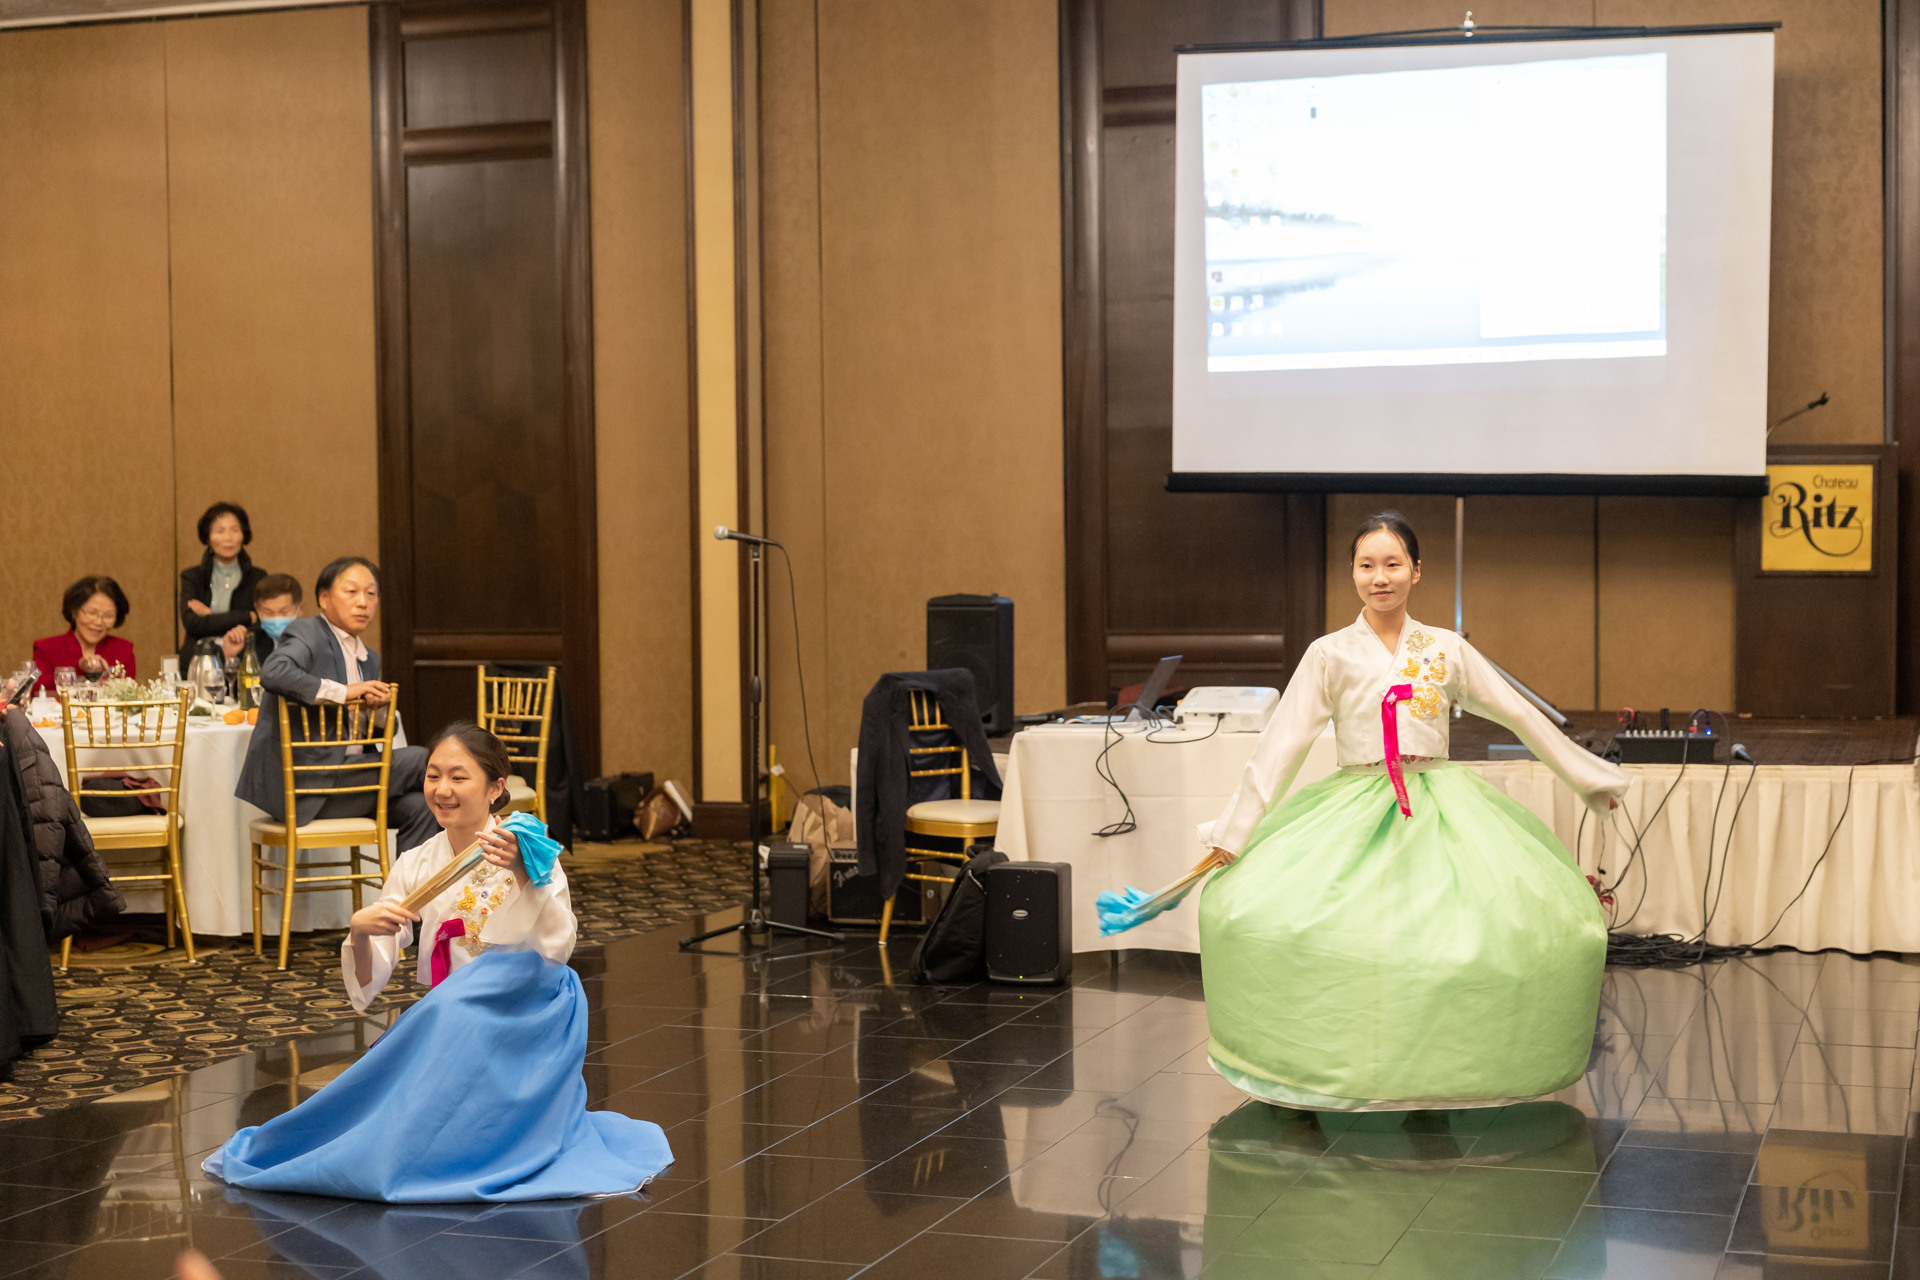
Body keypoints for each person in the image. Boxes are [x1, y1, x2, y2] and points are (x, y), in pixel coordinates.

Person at [1193, 511, 1629, 1112]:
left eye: (1393, 564)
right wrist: (1235, 831)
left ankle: (1440, 1072)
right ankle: (1333, 1066)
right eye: (1366, 566)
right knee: (1308, 930)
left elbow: (1519, 714)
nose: (1380, 578)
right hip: (1354, 801)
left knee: (1457, 940)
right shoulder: (1329, 653)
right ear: (1352, 573)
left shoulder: (1445, 648)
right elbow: (1282, 744)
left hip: (1439, 804)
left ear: (1416, 571)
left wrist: (1587, 776)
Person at [205, 723, 672, 1201]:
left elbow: (559, 948)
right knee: (378, 1095)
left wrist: (524, 873)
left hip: (527, 1008)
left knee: (432, 1045)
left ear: (495, 789)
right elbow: (372, 977)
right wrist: (360, 933)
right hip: (454, 1013)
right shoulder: (416, 863)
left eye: (458, 777)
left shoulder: (528, 846)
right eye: (433, 776)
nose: (442, 790)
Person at [234, 556, 438, 852]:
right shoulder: (307, 632)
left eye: (371, 593)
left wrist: (379, 711)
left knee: (422, 806)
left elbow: (366, 734)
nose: (363, 602)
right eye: (351, 591)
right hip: (307, 784)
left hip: (348, 780)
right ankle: (489, 807)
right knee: (422, 759)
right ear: (324, 599)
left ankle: (409, 885)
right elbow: (274, 672)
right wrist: (344, 692)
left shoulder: (368, 658)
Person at [178, 502, 268, 671]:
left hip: (243, 660)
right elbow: (192, 624)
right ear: (208, 537)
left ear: (243, 534)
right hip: (198, 661)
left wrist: (210, 616)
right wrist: (246, 616)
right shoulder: (192, 577)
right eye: (220, 531)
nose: (228, 538)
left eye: (234, 530)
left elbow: (261, 622)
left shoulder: (258, 577)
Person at [32, 577, 135, 693]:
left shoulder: (123, 650)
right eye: (92, 613)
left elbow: (129, 694)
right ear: (74, 611)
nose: (98, 622)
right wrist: (78, 668)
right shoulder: (46, 648)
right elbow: (35, 689)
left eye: (108, 616)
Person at [249, 573, 304, 664]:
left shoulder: (315, 643)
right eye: (269, 612)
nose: (276, 619)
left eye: (284, 612)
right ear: (257, 610)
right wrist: (230, 657)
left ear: (300, 609)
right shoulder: (251, 641)